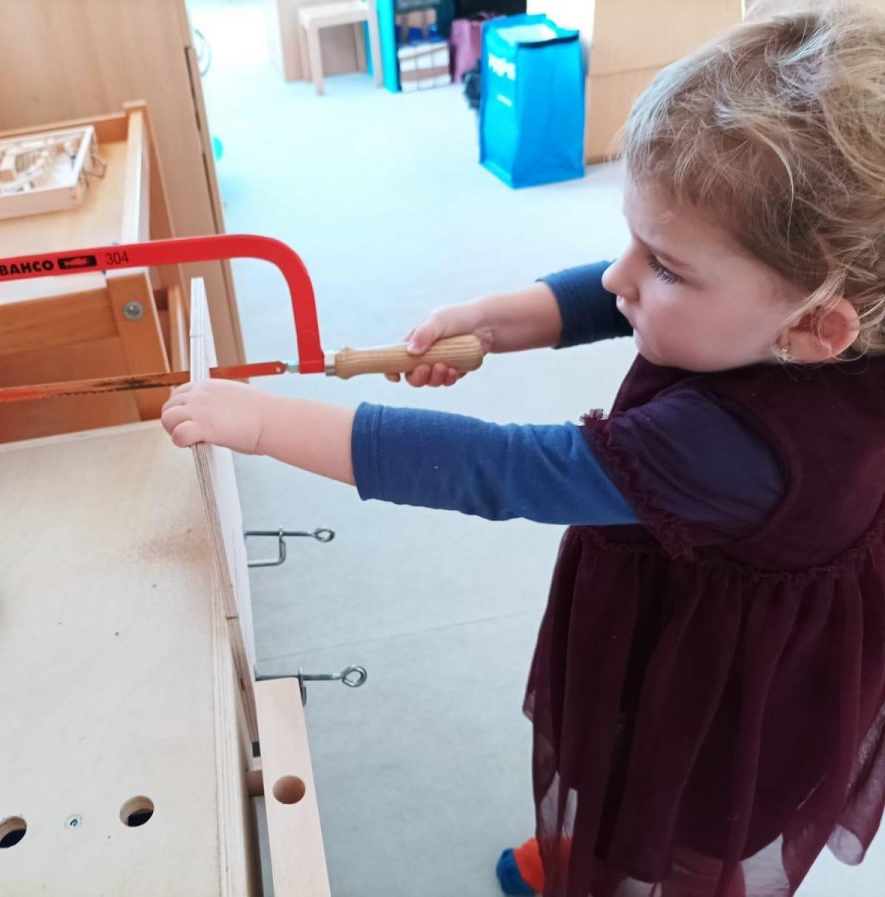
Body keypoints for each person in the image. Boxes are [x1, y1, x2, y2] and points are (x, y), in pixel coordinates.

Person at [161, 6, 885, 895]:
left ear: (813, 327)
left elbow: (498, 469)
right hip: (696, 600)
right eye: (634, 241)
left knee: (682, 814)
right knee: (621, 770)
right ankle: (599, 849)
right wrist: (492, 322)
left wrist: (261, 424)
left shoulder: (729, 450)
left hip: (718, 681)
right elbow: (608, 296)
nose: (620, 274)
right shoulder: (799, 320)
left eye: (664, 265)